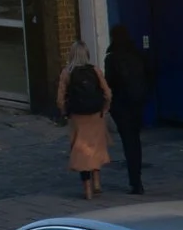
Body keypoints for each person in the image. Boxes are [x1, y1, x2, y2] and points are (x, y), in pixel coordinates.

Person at [103, 20, 154, 196]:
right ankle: (137, 179)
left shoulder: (112, 58)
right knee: (135, 140)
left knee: (128, 141)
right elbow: (150, 75)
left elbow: (109, 83)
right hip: (137, 103)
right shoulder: (138, 55)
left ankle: (135, 181)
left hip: (121, 105)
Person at [58, 37, 111, 200]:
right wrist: (104, 108)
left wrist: (65, 112)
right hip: (95, 115)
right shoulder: (95, 70)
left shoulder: (67, 73)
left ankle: (87, 189)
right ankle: (97, 182)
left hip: (77, 117)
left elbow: (60, 99)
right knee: (95, 148)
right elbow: (107, 93)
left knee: (81, 151)